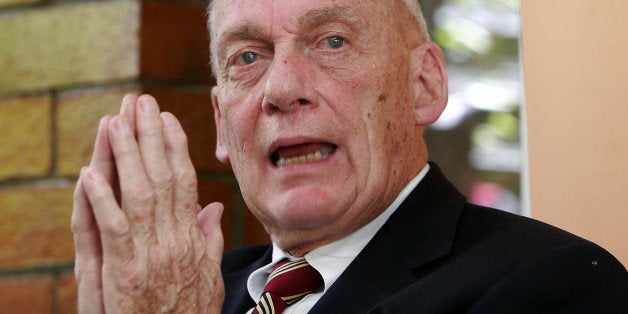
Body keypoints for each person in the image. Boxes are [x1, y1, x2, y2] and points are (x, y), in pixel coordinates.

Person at [72, 0, 627, 313]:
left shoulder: (554, 285)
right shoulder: (187, 287)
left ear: (424, 85)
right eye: (247, 56)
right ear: (221, 122)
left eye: (332, 41)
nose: (282, 87)